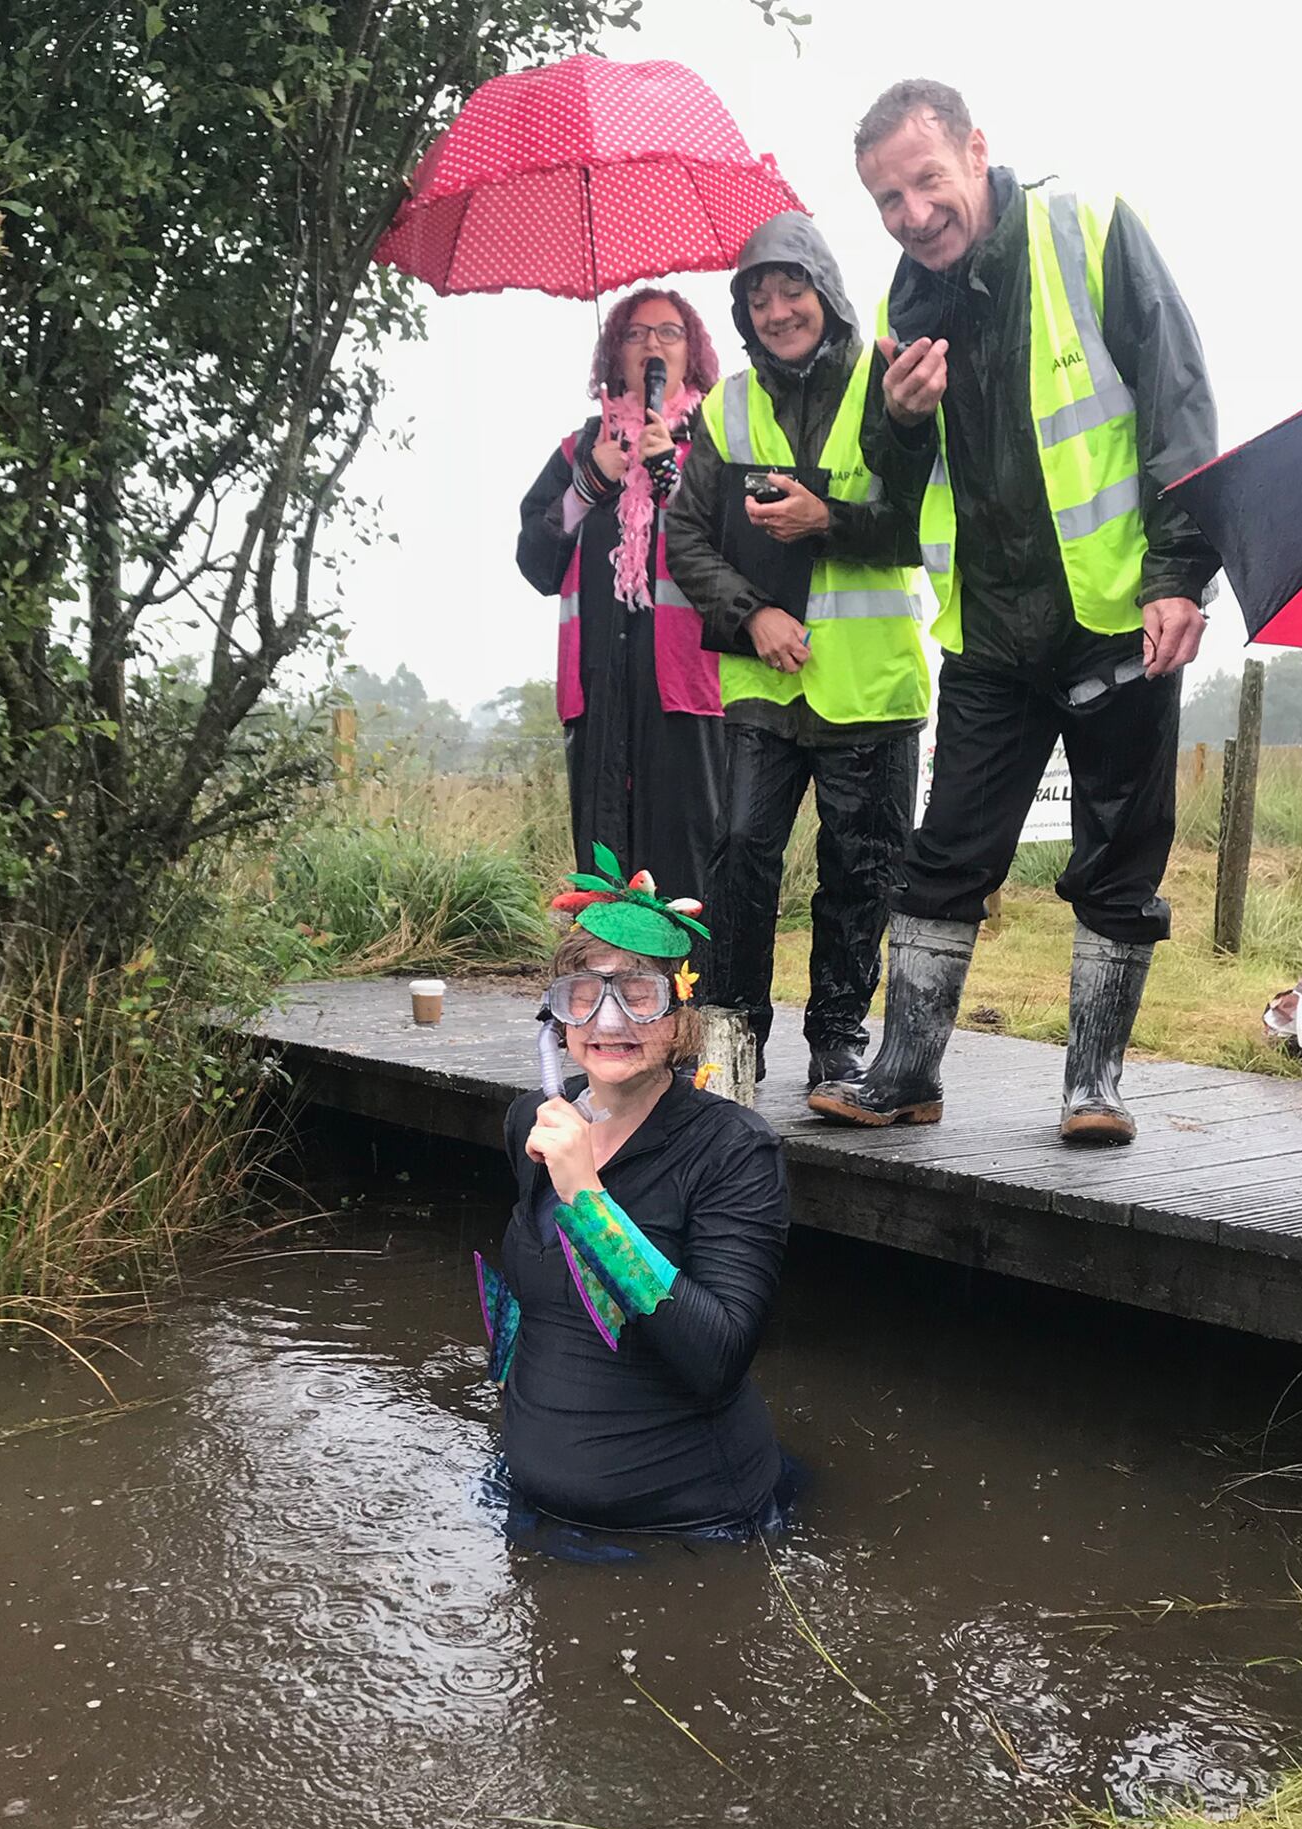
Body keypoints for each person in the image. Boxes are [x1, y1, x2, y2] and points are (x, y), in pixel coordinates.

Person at [809, 79, 1219, 1145]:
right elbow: (887, 499)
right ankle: (903, 1075)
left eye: (924, 182)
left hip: (1115, 608)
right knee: (943, 852)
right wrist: (897, 423)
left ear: (975, 151)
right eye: (886, 200)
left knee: (1120, 853)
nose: (910, 214)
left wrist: (1179, 571)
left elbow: (1179, 404)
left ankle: (1095, 1086)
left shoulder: (1089, 230)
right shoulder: (903, 302)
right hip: (988, 629)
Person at [668, 214, 929, 1088]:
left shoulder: (885, 384)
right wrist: (751, 616)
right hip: (762, 689)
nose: (778, 310)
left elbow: (927, 521)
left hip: (873, 689)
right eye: (758, 296)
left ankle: (837, 1047)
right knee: (741, 857)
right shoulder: (725, 408)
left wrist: (830, 522)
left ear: (825, 290)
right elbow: (686, 540)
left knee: (861, 871)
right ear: (743, 314)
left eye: (792, 289)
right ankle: (733, 1049)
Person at [477, 851, 790, 1536]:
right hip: (534, 1511)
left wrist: (588, 1196)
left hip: (688, 1531)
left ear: (682, 1014)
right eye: (582, 995)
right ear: (557, 1018)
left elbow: (717, 1360)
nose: (609, 1021)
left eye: (640, 994)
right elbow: (541, 1304)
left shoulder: (735, 1152)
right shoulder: (532, 1123)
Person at [516, 290, 724, 898]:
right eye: (635, 335)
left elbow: (737, 550)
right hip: (599, 678)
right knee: (606, 854)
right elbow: (535, 560)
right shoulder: (580, 450)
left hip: (688, 681)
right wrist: (587, 485)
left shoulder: (719, 443)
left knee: (688, 848)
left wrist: (670, 478)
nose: (652, 346)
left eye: (668, 332)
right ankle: (605, 986)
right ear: (614, 352)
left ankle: (690, 986)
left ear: (692, 354)